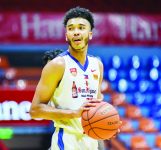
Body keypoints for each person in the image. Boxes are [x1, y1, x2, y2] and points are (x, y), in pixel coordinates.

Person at [30, 7, 119, 150]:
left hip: (91, 142)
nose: (76, 31)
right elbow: (35, 110)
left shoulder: (97, 65)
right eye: (71, 28)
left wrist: (108, 125)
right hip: (66, 143)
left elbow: (96, 107)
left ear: (90, 34)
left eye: (81, 28)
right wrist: (74, 114)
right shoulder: (57, 65)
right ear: (66, 35)